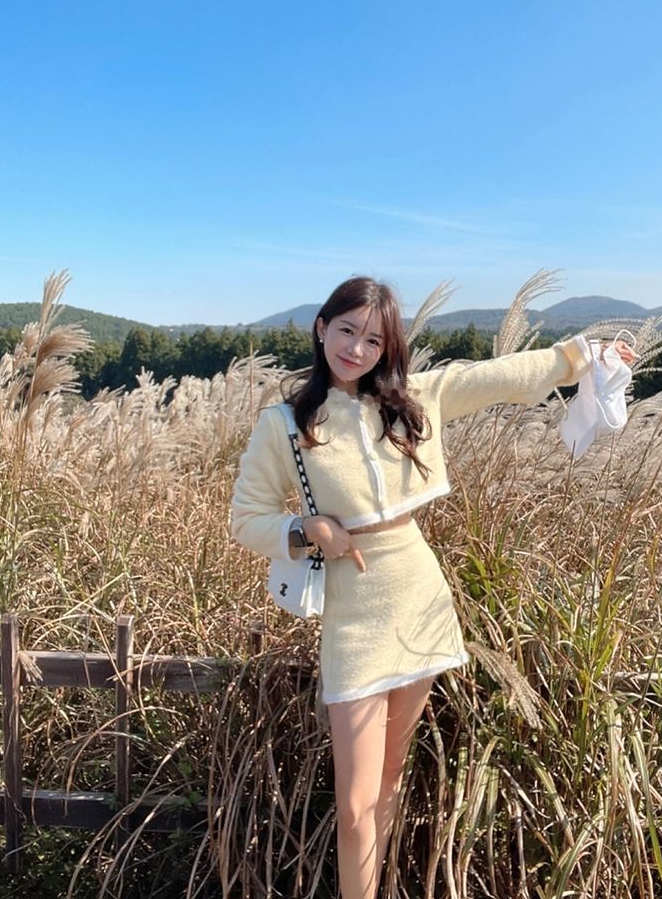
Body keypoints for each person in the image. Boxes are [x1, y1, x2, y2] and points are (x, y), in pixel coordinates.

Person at [231, 275, 636, 899]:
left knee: (391, 778)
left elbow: (502, 376)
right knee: (355, 803)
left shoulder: (414, 399)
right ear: (321, 327)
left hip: (419, 598)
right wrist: (305, 529)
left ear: (387, 348)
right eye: (347, 331)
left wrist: (585, 355)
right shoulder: (285, 424)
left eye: (373, 340)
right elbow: (246, 518)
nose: (357, 349)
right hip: (353, 617)